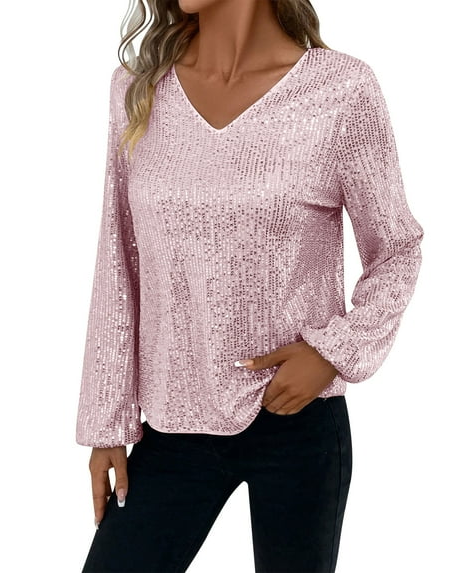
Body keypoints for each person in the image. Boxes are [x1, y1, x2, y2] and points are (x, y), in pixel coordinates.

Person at [76, 0, 424, 571]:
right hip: (171, 426)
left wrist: (333, 353)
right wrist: (106, 423)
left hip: (297, 420)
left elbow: (396, 249)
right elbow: (118, 261)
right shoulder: (138, 89)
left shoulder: (341, 91)